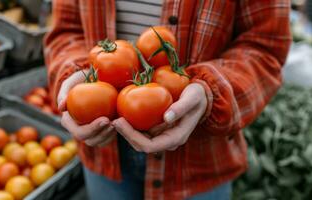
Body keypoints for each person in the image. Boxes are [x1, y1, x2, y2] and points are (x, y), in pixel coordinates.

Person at [44, 1, 291, 199]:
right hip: (104, 158)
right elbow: (66, 30)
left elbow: (265, 48)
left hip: (198, 163)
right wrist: (73, 73)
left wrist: (210, 93)